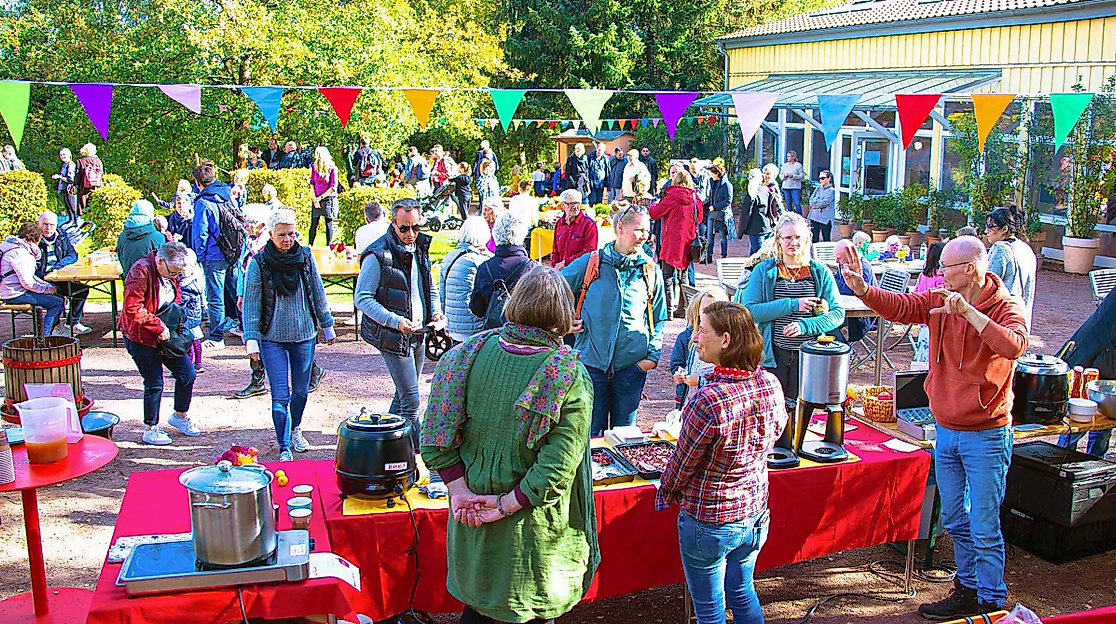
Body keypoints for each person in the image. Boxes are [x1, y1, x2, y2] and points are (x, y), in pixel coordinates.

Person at [839, 236, 1027, 620]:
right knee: (955, 519)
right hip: (946, 430)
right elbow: (902, 306)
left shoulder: (1006, 305)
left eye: (946, 267)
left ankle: (991, 601)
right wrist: (863, 289)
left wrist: (970, 314)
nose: (939, 273)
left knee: (984, 524)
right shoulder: (940, 299)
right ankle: (968, 589)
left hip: (987, 434)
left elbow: (1014, 346)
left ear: (969, 270)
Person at [420, 267, 599, 624]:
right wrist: (502, 506)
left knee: (478, 612)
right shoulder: (569, 375)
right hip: (532, 537)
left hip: (472, 517)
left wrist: (460, 492)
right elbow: (556, 469)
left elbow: (435, 439)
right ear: (563, 314)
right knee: (526, 611)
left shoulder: (466, 354)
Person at [657, 301, 787, 624]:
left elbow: (681, 466)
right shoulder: (770, 384)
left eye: (702, 331)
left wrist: (665, 491)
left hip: (711, 520)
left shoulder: (708, 400)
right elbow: (776, 432)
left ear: (725, 340)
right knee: (743, 591)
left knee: (710, 610)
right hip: (754, 513)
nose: (694, 338)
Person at [561, 202, 667, 435]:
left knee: (625, 438)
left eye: (647, 230)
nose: (644, 236)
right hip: (591, 366)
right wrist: (562, 323)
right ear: (620, 228)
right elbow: (553, 287)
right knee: (591, 438)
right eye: (638, 230)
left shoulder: (650, 270)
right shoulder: (592, 262)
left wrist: (651, 358)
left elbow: (659, 318)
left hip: (631, 368)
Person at [242, 209, 336, 462]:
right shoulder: (259, 263)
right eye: (282, 235)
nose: (287, 239)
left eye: (291, 234)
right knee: (280, 395)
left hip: (304, 335)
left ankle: (295, 428)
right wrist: (251, 339)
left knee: (301, 391)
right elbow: (251, 303)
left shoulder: (305, 256)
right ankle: (284, 445)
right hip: (272, 338)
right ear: (270, 234)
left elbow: (317, 290)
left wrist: (327, 324)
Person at [355, 198, 446, 450]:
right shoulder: (377, 254)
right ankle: (415, 454)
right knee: (411, 401)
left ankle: (383, 446)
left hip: (418, 332)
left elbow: (429, 287)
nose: (411, 234)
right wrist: (394, 322)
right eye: (404, 228)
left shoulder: (420, 248)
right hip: (393, 337)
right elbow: (362, 298)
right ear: (392, 223)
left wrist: (436, 313)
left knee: (403, 394)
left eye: (416, 227)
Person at [741, 212, 844, 403]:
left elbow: (837, 314)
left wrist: (805, 326)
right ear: (778, 240)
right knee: (773, 407)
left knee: (802, 409)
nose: (793, 243)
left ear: (807, 239)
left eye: (798, 237)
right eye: (788, 237)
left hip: (810, 356)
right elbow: (750, 310)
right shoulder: (764, 270)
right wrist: (793, 304)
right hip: (773, 354)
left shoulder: (820, 272)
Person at [118, 242, 202, 445]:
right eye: (173, 272)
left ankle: (180, 416)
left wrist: (174, 318)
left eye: (178, 273)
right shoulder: (140, 271)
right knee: (154, 382)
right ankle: (150, 428)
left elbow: (176, 296)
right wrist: (157, 325)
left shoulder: (171, 271)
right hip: (141, 336)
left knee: (187, 374)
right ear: (161, 261)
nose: (175, 276)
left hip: (166, 333)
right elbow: (132, 307)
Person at [1057, 288, 1116, 457]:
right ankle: (1061, 461)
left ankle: (1095, 462)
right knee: (1080, 417)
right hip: (1094, 357)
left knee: (1105, 420)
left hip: (1106, 360)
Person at [190, 160, 236, 350]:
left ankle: (217, 337)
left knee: (215, 297)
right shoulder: (227, 195)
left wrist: (199, 257)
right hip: (232, 251)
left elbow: (200, 233)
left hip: (213, 254)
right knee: (236, 293)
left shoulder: (203, 202)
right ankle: (245, 328)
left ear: (198, 182)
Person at [650, 169, 701, 317]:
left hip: (671, 240)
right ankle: (683, 308)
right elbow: (699, 218)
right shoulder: (695, 198)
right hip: (688, 240)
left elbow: (655, 213)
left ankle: (668, 310)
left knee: (667, 275)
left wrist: (654, 203)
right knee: (683, 276)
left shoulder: (671, 196)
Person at [471, 213, 535, 329]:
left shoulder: (485, 267)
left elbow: (477, 309)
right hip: (524, 333)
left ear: (495, 234)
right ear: (522, 235)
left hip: (495, 333)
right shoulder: (532, 268)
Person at [669, 285, 729, 409]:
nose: (709, 315)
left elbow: (728, 378)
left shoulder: (727, 342)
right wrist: (680, 374)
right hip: (689, 399)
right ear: (697, 311)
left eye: (715, 310)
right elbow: (677, 363)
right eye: (705, 310)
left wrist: (700, 381)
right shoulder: (686, 337)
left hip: (715, 401)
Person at [0, 222, 65, 336]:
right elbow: (28, 283)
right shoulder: (22, 254)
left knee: (57, 294)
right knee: (57, 302)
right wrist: (48, 290)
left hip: (10, 290)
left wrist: (49, 287)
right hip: (15, 294)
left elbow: (30, 277)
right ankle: (44, 337)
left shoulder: (15, 248)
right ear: (37, 238)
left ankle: (47, 332)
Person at [35, 211, 91, 336]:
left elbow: (72, 254)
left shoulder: (61, 235)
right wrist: (46, 275)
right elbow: (30, 268)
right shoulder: (33, 240)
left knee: (81, 290)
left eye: (51, 225)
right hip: (40, 279)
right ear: (38, 224)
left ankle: (72, 323)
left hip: (58, 275)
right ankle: (54, 329)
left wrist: (58, 267)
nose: (48, 228)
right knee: (57, 297)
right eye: (45, 224)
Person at [439, 217, 492, 343]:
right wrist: (491, 255)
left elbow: (442, 294)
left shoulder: (449, 257)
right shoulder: (479, 261)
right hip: (474, 327)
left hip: (452, 325)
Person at [985, 205, 1036, 327]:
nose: (986, 231)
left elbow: (987, 286)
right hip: (1022, 320)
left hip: (1002, 320)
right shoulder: (1026, 249)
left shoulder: (1000, 248)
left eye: (990, 227)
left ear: (1004, 229)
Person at [832, 238, 879, 345]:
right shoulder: (844, 264)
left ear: (850, 255)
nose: (836, 261)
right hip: (846, 308)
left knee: (828, 323)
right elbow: (836, 280)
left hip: (863, 315)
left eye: (839, 258)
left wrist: (834, 284)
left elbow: (849, 290)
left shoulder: (863, 268)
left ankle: (843, 350)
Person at [910, 241, 946, 363]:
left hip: (924, 321)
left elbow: (916, 293)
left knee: (924, 354)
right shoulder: (941, 278)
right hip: (937, 321)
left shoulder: (924, 274)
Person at [551, 189, 598, 270]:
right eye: (571, 204)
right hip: (560, 270)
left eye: (578, 203)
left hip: (579, 271)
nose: (575, 207)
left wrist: (565, 263)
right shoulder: (559, 223)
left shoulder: (589, 224)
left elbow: (589, 252)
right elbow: (555, 250)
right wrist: (555, 267)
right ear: (563, 205)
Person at [117, 200, 166, 278]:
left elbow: (121, 261)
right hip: (151, 283)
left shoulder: (122, 237)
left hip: (130, 282)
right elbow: (163, 266)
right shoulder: (158, 237)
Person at [739, 167, 779, 256]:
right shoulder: (766, 190)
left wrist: (740, 232)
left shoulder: (751, 194)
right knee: (755, 254)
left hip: (756, 229)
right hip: (767, 227)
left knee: (759, 256)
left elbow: (745, 214)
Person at [307, 147, 339, 247]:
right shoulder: (314, 167)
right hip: (316, 198)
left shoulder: (332, 168)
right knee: (314, 223)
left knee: (328, 223)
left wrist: (320, 197)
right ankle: (310, 245)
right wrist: (314, 198)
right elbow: (312, 183)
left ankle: (328, 246)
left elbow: (333, 187)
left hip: (328, 198)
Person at [180, 249, 206, 373]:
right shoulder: (196, 280)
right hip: (194, 316)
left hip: (188, 317)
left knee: (189, 340)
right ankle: (197, 363)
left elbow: (182, 301)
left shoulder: (187, 285)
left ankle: (191, 363)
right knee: (194, 340)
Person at [704, 164, 733, 264]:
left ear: (717, 173)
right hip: (711, 214)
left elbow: (728, 201)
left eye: (712, 173)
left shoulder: (727, 185)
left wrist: (715, 207)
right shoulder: (712, 182)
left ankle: (723, 256)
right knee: (709, 236)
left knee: (722, 237)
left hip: (721, 214)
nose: (711, 175)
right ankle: (708, 256)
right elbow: (710, 197)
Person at [75, 143, 104, 217]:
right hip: (96, 187)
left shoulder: (80, 161)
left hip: (83, 188)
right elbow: (102, 174)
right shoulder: (98, 161)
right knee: (93, 207)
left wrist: (75, 185)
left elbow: (77, 177)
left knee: (83, 209)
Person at [806, 170, 835, 242]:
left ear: (829, 178)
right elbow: (811, 200)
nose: (820, 180)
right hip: (814, 217)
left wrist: (816, 203)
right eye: (819, 178)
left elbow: (824, 203)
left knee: (826, 239)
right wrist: (817, 202)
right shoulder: (818, 188)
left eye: (822, 178)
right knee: (814, 238)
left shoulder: (831, 191)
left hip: (825, 219)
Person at [52, 148, 79, 223]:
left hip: (70, 189)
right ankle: (71, 221)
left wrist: (59, 177)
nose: (62, 156)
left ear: (69, 155)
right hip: (65, 189)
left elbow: (70, 179)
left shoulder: (71, 165)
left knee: (72, 207)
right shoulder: (64, 165)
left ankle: (75, 222)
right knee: (68, 207)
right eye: (61, 155)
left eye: (64, 154)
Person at [780, 151, 805, 215]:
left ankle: (799, 216)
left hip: (795, 187)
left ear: (793, 157)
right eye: (787, 156)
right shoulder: (784, 166)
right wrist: (784, 176)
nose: (787, 158)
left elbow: (802, 176)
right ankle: (790, 216)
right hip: (786, 187)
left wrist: (793, 176)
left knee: (797, 203)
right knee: (788, 203)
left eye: (789, 156)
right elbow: (780, 176)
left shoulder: (798, 165)